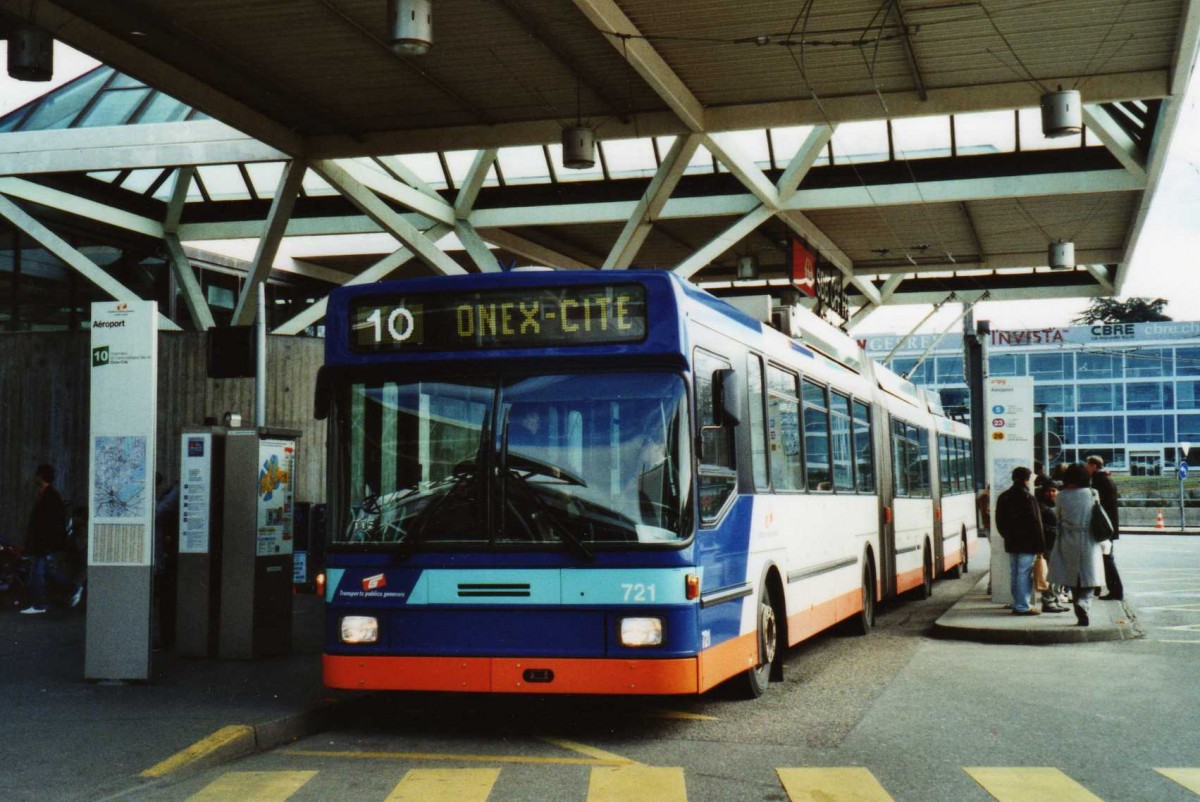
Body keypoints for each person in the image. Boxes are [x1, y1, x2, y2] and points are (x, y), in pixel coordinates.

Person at [1049, 463, 1109, 626]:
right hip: (1089, 537)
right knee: (1090, 576)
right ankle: (1084, 603)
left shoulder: (1061, 495)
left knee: (1072, 576)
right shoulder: (1092, 493)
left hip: (1068, 538)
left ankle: (1078, 607)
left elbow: (1058, 516)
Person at [994, 466, 1047, 616]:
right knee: (1024, 573)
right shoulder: (1028, 497)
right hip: (1028, 542)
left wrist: (1007, 535)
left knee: (1015, 572)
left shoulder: (1004, 496)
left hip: (1011, 541)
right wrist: (1040, 545)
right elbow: (1036, 523)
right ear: (1027, 480)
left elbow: (999, 521)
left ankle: (1017, 602)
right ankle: (1022, 606)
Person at [21, 464, 68, 615]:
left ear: (41, 476)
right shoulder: (47, 494)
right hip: (41, 543)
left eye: (37, 475)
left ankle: (38, 604)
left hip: (43, 543)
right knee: (45, 572)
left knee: (37, 573)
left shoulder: (51, 496)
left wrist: (47, 543)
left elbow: (52, 522)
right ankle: (71, 589)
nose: (35, 478)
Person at [1086, 454, 1124, 601]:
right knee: (1106, 558)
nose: (1086, 468)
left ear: (1094, 466)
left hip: (1104, 527)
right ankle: (1111, 589)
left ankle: (1115, 591)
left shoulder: (1099, 481)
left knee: (1107, 559)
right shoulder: (1107, 479)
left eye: (1087, 465)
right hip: (1109, 526)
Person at [154, 473, 181, 647]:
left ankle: (166, 638)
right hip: (160, 558)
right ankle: (166, 638)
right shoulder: (165, 497)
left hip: (160, 558)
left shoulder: (163, 498)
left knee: (164, 601)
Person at [1035, 481, 1069, 613]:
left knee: (1058, 574)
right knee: (1050, 574)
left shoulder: (1059, 505)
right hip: (1049, 545)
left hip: (1060, 543)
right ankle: (1048, 601)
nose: (1051, 493)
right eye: (1048, 491)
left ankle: (1055, 599)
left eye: (1054, 490)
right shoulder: (1041, 507)